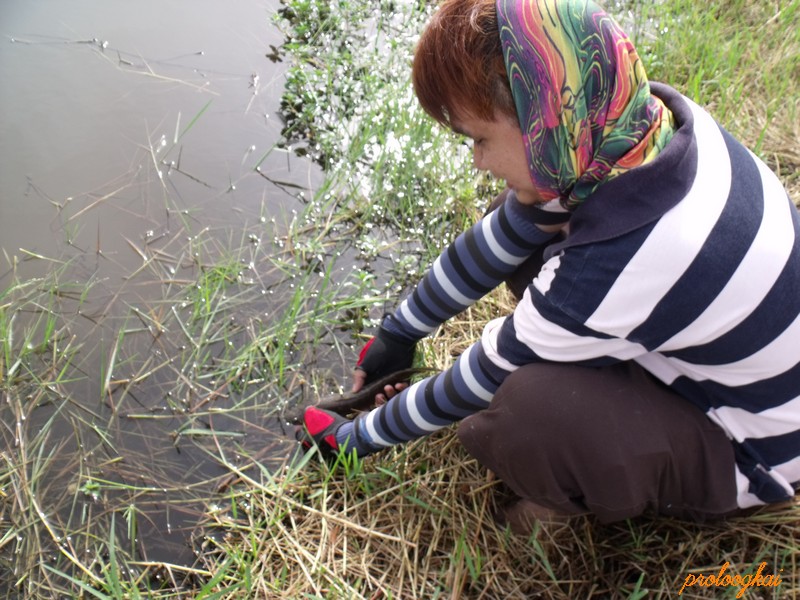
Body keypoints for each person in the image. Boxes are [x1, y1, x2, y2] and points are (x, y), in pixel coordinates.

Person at [299, 0, 800, 525]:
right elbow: (506, 231)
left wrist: (355, 439)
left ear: (542, 123)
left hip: (755, 446)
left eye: (479, 140)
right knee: (529, 221)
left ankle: (563, 503)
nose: (478, 161)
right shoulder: (629, 130)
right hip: (717, 362)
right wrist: (400, 332)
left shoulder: (623, 261)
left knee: (529, 412)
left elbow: (484, 372)